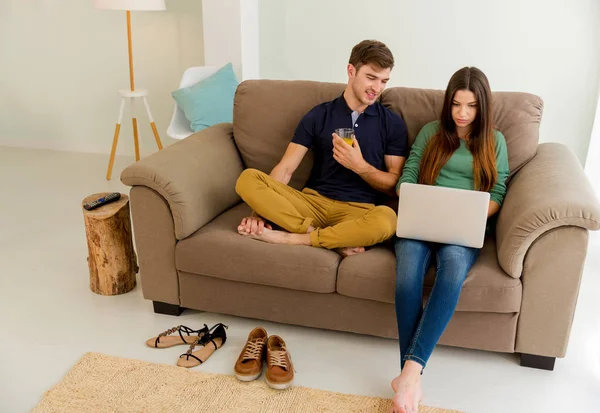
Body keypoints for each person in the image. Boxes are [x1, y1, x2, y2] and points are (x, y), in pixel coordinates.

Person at [390, 67, 509, 413]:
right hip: (422, 220)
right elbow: (408, 175)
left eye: (471, 106)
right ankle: (410, 380)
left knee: (453, 273)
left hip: (464, 228)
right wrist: (410, 196)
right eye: (456, 104)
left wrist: (471, 213)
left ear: (482, 107)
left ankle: (408, 375)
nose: (462, 113)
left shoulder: (494, 141)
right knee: (407, 277)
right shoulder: (431, 132)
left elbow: (498, 191)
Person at [235, 40, 409, 256]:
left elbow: (395, 184)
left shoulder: (391, 123)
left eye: (384, 81)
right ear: (351, 71)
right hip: (312, 202)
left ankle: (294, 237)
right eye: (371, 78)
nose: (377, 88)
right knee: (248, 179)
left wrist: (360, 167)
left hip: (358, 210)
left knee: (387, 219)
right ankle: (325, 237)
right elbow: (286, 168)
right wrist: (260, 213)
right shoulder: (319, 115)